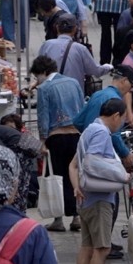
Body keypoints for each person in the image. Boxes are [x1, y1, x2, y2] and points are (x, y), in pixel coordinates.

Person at [72, 98, 129, 264]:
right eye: (122, 118)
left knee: (87, 247)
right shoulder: (102, 132)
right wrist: (121, 174)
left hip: (87, 198)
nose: (122, 122)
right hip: (99, 200)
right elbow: (93, 162)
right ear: (115, 116)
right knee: (102, 248)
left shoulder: (89, 129)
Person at [32, 55, 87, 232]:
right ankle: (77, 215)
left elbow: (43, 116)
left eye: (36, 76)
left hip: (56, 137)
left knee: (58, 177)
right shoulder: (74, 82)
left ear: (42, 72)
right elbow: (82, 106)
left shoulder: (45, 88)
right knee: (75, 174)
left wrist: (43, 140)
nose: (36, 80)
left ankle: (58, 218)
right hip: (76, 135)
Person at [0, 123, 42, 215]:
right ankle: (20, 215)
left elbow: (0, 152)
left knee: (15, 188)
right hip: (28, 151)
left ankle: (13, 215)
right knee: (22, 187)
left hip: (20, 151)